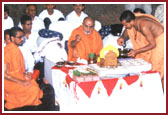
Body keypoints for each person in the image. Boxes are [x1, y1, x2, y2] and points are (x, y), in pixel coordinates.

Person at [117, 10, 164, 80]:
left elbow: (153, 44)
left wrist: (136, 51)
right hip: (152, 39)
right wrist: (122, 37)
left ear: (132, 21)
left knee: (155, 64)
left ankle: (155, 83)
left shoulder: (143, 26)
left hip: (161, 39)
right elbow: (128, 29)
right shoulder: (134, 20)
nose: (125, 27)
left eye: (126, 25)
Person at [4, 27, 43, 110]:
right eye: (19, 38)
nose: (22, 39)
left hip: (17, 76)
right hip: (8, 81)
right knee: (33, 90)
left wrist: (25, 75)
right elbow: (3, 74)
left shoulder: (16, 49)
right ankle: (11, 100)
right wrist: (21, 82)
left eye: (23, 37)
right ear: (12, 38)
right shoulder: (7, 51)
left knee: (34, 84)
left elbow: (18, 68)